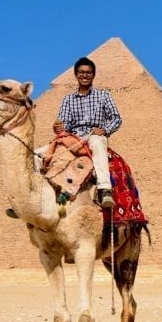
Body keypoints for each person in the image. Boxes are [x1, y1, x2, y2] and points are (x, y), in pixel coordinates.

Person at [53, 56, 122, 209]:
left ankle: (104, 189)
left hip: (94, 136)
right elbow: (63, 122)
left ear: (93, 75)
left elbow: (117, 118)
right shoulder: (68, 99)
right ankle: (29, 198)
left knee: (97, 142)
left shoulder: (103, 95)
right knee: (42, 155)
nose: (85, 75)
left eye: (88, 72)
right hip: (74, 138)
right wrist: (59, 128)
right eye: (81, 72)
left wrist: (105, 130)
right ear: (76, 75)